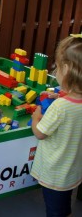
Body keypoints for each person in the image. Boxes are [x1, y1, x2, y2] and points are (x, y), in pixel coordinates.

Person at [30, 34, 82, 217]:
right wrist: (59, 95)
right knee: (64, 206)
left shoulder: (60, 107)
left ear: (66, 69)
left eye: (57, 68)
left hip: (55, 173)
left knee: (55, 211)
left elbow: (40, 133)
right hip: (73, 170)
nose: (56, 72)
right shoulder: (71, 101)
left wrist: (36, 118)